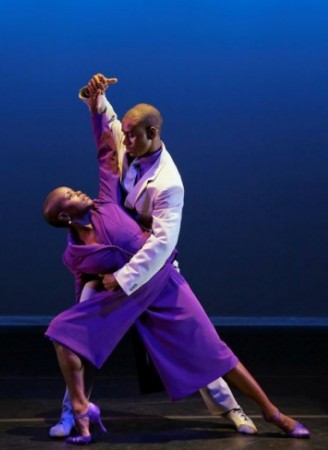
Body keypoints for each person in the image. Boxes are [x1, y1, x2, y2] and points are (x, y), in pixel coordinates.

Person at [43, 110, 310, 444]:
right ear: (65, 216)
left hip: (154, 278)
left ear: (151, 132)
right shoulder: (74, 252)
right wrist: (97, 103)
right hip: (119, 293)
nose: (126, 141)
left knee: (211, 351)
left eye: (132, 135)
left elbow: (158, 237)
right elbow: (111, 140)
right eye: (69, 194)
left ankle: (270, 413)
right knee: (72, 336)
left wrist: (121, 277)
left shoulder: (128, 196)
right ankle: (78, 410)